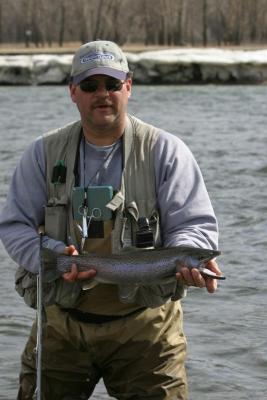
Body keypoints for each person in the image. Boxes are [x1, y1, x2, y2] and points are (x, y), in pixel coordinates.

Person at [0, 40, 222, 400]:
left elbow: (194, 225)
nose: (102, 94)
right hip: (62, 324)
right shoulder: (42, 154)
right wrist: (57, 255)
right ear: (73, 92)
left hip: (146, 330)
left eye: (112, 84)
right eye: (90, 86)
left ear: (129, 86)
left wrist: (193, 256)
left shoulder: (166, 152)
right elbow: (14, 226)